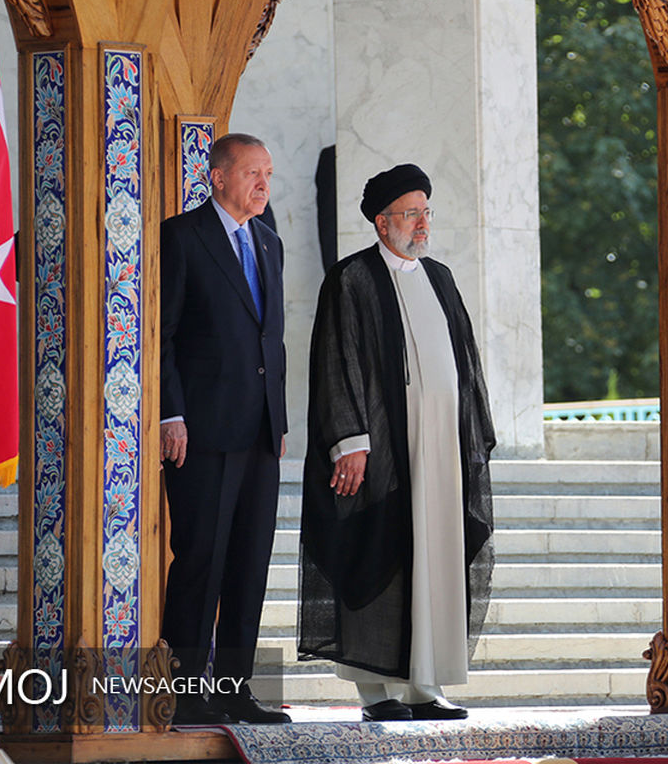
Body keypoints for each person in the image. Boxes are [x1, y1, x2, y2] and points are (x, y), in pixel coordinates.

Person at [297, 163, 495, 722]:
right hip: (384, 453)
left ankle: (424, 686)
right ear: (382, 223)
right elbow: (337, 362)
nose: (422, 224)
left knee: (436, 559)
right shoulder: (352, 278)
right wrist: (350, 442)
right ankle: (377, 692)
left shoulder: (441, 277)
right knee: (380, 554)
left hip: (441, 451)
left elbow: (466, 365)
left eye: (426, 212)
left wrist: (472, 435)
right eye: (411, 214)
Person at [159, 133, 290, 725]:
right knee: (200, 560)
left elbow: (272, 340)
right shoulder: (181, 236)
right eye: (252, 173)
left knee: (248, 563)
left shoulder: (269, 240)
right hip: (202, 432)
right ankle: (182, 694)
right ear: (217, 177)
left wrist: (278, 418)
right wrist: (171, 413)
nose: (263, 184)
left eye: (268, 173)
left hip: (260, 431)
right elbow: (161, 335)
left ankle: (235, 692)